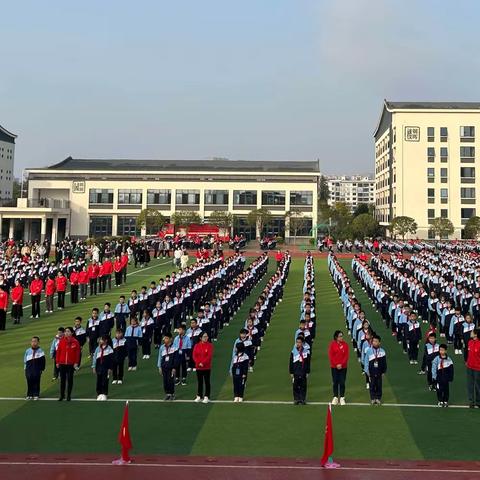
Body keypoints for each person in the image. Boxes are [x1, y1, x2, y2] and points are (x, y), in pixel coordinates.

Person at [55, 326, 81, 401]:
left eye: (68, 331)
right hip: (62, 363)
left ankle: (68, 395)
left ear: (72, 333)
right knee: (62, 380)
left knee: (70, 379)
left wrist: (76, 362)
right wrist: (57, 362)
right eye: (66, 331)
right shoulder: (61, 341)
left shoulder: (75, 342)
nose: (66, 333)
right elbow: (58, 352)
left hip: (70, 364)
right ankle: (62, 395)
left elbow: (77, 353)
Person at [364, 334, 387, 405]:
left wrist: (384, 371)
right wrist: (367, 371)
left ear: (379, 342)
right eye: (373, 341)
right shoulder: (369, 351)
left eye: (376, 341)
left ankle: (378, 398)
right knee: (372, 385)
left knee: (379, 385)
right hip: (371, 372)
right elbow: (366, 362)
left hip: (379, 372)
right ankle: (373, 398)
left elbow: (384, 363)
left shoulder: (382, 351)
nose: (374, 342)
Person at [328, 330, 349, 405]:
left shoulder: (345, 345)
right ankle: (335, 397)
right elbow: (331, 356)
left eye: (342, 336)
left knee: (342, 382)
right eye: (340, 336)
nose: (341, 337)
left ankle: (342, 397)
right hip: (334, 367)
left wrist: (341, 364)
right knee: (335, 381)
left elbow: (346, 356)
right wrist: (336, 364)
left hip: (343, 367)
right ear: (336, 337)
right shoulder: (332, 345)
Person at [193, 331, 213, 403]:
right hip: (198, 367)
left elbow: (209, 356)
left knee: (207, 382)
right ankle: (199, 396)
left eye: (207, 336)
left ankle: (207, 396)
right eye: (204, 337)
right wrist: (198, 363)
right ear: (200, 338)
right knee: (200, 382)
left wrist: (203, 363)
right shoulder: (196, 345)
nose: (206, 338)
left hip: (206, 367)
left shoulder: (210, 345)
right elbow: (194, 356)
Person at [289, 336, 311, 405]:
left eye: (299, 342)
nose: (298, 344)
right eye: (297, 342)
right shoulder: (293, 351)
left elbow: (308, 362)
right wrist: (291, 372)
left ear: (302, 343)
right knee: (295, 386)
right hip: (296, 372)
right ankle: (296, 399)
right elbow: (291, 362)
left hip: (303, 371)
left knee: (303, 386)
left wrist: (307, 371)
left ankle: (302, 399)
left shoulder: (306, 352)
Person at [92, 335, 114, 401]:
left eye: (101, 340)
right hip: (99, 367)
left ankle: (104, 394)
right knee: (99, 380)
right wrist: (93, 366)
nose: (100, 341)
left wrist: (110, 368)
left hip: (106, 368)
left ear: (106, 340)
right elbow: (94, 358)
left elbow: (111, 360)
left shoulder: (109, 349)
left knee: (105, 381)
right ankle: (99, 393)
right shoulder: (97, 349)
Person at [24, 336, 46, 400]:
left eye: (35, 341)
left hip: (37, 369)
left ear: (38, 342)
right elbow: (25, 360)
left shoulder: (41, 351)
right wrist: (25, 368)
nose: (34, 343)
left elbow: (43, 361)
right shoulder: (27, 351)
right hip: (28, 369)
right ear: (31, 342)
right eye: (32, 341)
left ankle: (36, 394)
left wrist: (42, 369)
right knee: (29, 381)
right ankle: (29, 394)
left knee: (36, 381)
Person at [158, 333, 177, 400]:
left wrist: (174, 367)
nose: (164, 340)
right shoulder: (162, 347)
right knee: (165, 381)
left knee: (170, 381)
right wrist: (159, 367)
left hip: (171, 367)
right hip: (164, 367)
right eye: (164, 338)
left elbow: (175, 358)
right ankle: (167, 394)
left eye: (166, 338)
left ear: (170, 339)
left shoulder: (174, 347)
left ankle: (172, 394)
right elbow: (160, 357)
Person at [466, 328, 480, 408]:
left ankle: (478, 402)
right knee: (470, 385)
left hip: (478, 368)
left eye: (472, 332)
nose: (470, 333)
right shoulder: (470, 342)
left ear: (475, 334)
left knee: (478, 385)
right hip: (469, 367)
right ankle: (471, 401)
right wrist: (467, 362)